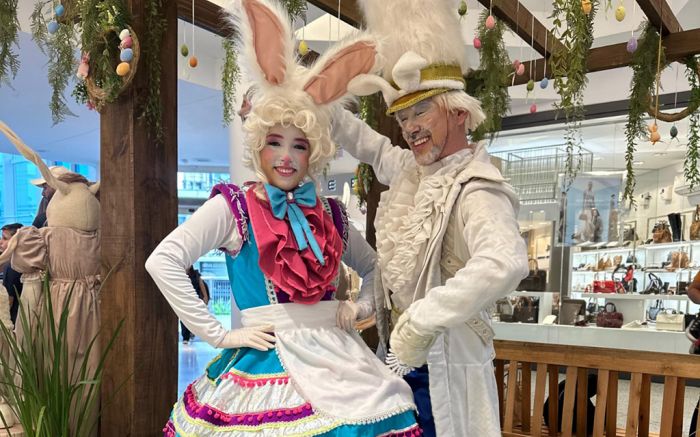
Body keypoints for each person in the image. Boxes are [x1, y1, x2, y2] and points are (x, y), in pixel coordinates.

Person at [146, 1, 419, 435]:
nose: (287, 157)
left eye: (299, 145)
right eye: (276, 142)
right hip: (265, 357)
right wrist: (218, 335)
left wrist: (361, 306)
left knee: (383, 412)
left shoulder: (331, 213)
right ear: (258, 143)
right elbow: (163, 260)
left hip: (340, 357)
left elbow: (373, 266)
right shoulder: (233, 207)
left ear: (315, 152)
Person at [329, 1, 529, 435]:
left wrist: (422, 320)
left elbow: (505, 261)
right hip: (399, 365)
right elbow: (368, 144)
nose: (410, 127)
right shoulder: (410, 170)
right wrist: (313, 101)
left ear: (458, 112)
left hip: (448, 372)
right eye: (402, 117)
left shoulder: (476, 187)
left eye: (421, 111)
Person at [181, 266, 210, 344]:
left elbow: (202, 286)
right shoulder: (181, 275)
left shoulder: (196, 275)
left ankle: (192, 332)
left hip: (195, 300)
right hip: (185, 300)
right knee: (184, 318)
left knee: (194, 318)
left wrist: (205, 298)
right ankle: (185, 337)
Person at [1, 223, 23, 324]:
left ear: (16, 241)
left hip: (14, 319)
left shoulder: (11, 266)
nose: (0, 242)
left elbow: (8, 300)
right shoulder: (25, 263)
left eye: (5, 238)